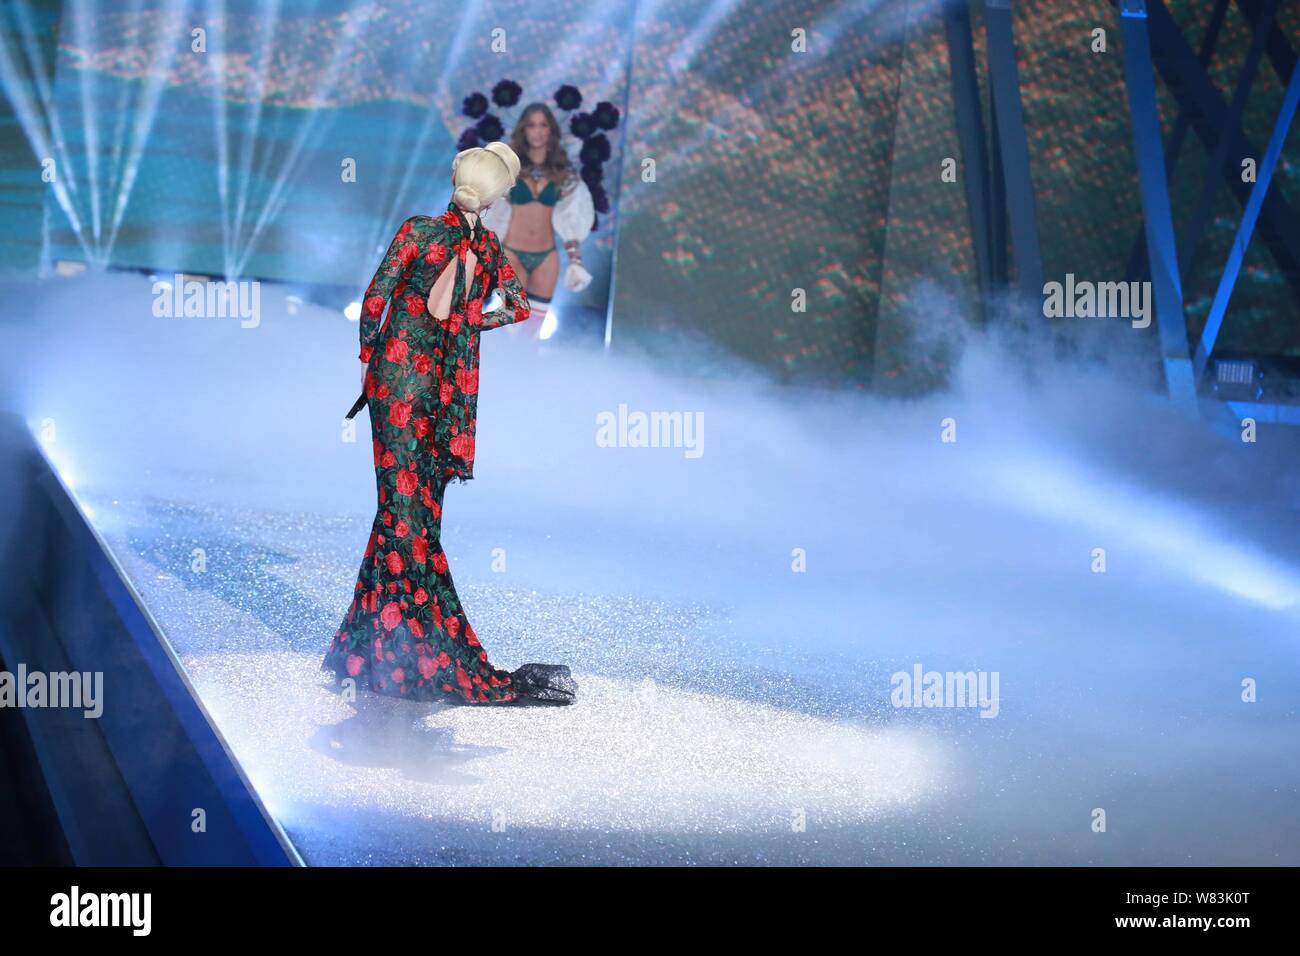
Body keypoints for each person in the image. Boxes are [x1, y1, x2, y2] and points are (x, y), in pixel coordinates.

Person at [322, 141, 577, 706]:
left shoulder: (417, 232)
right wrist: (467, 322)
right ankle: (387, 649)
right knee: (415, 514)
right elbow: (518, 308)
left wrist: (375, 359)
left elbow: (373, 301)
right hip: (444, 391)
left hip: (398, 383)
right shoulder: (486, 248)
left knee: (398, 511)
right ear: (493, 199)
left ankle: (394, 652)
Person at [480, 103, 595, 326]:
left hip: (547, 259)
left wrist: (576, 262)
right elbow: (489, 210)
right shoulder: (508, 167)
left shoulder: (564, 173)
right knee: (511, 328)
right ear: (523, 129)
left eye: (543, 125)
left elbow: (572, 218)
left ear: (551, 130)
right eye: (532, 125)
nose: (538, 131)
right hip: (512, 255)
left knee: (532, 333)